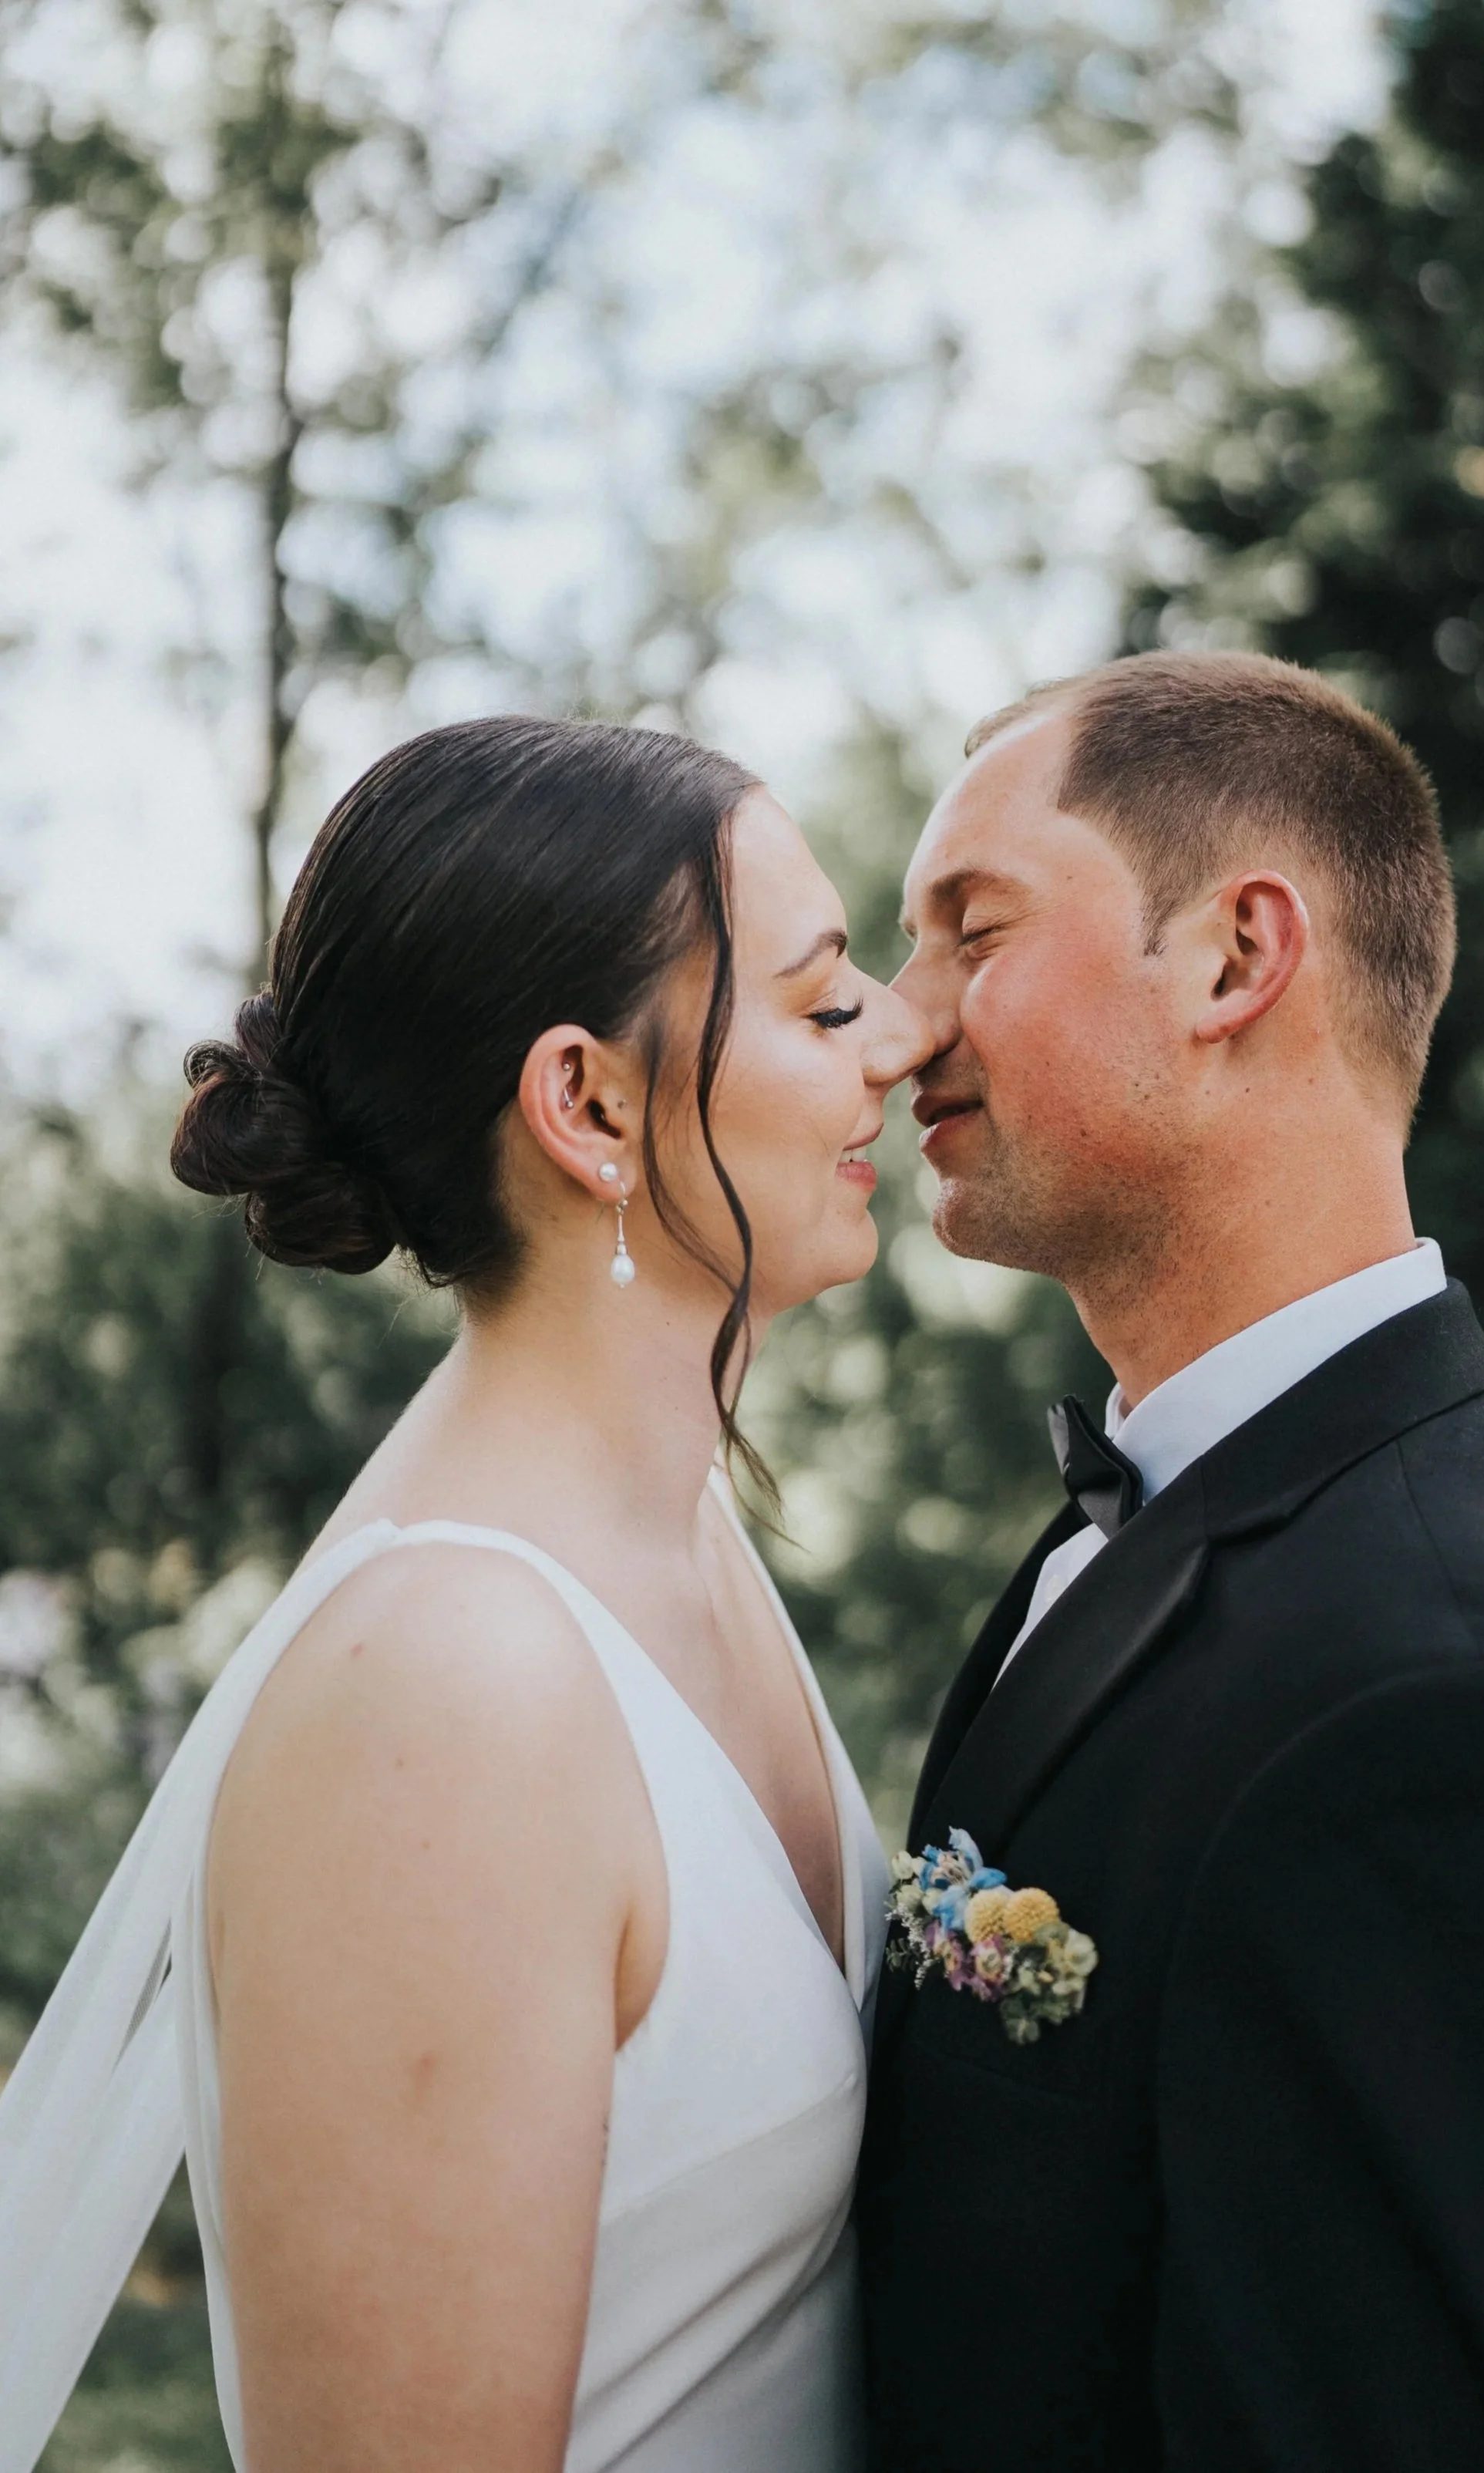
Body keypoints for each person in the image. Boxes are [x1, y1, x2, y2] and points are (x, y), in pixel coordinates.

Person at [0, 716, 927, 2473]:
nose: (900, 1031)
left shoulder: (687, 1543)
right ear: (586, 1104)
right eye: (820, 1006)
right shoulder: (446, 1692)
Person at [860, 649, 1484, 2470]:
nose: (898, 1026)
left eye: (969, 931)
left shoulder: (1442, 1699)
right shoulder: (1203, 1503)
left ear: (1233, 958)